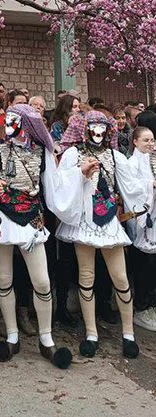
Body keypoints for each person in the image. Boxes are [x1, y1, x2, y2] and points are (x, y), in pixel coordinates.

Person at [0, 104, 74, 369]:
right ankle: (12, 335)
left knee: (42, 281)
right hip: (2, 216)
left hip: (32, 218)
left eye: (14, 120)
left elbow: (54, 188)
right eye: (7, 119)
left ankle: (46, 338)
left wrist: (78, 179)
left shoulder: (43, 152)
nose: (8, 124)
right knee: (4, 279)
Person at [57, 111, 148, 359]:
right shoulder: (73, 154)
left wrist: (143, 198)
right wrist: (81, 173)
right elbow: (61, 184)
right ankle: (91, 334)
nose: (97, 132)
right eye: (93, 127)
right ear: (85, 129)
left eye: (102, 127)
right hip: (84, 220)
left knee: (120, 277)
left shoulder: (115, 156)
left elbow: (132, 185)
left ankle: (128, 334)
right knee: (86, 276)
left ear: (108, 131)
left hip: (108, 221)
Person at [127, 125, 156, 331]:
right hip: (141, 220)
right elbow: (131, 189)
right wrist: (150, 185)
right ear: (135, 142)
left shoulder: (151, 160)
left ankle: (151, 304)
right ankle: (141, 307)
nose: (150, 144)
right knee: (142, 265)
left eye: (152, 140)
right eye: (146, 140)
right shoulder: (131, 163)